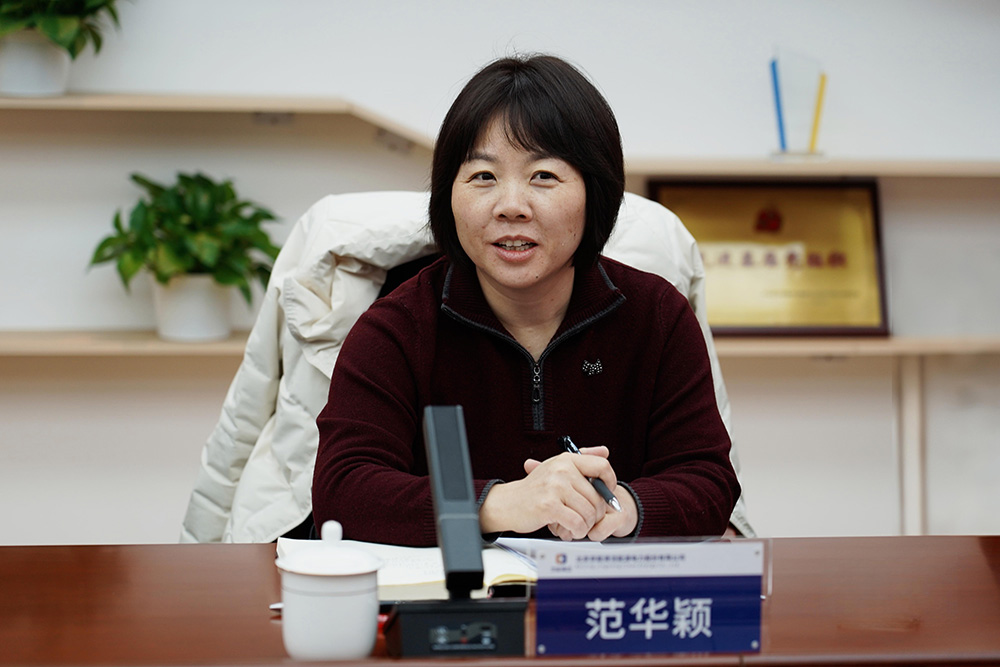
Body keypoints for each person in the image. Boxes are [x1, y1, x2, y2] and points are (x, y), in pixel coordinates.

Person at [312, 54, 740, 545]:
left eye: (543, 176)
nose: (511, 206)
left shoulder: (657, 317)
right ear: (448, 195)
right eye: (483, 176)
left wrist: (625, 509)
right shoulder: (397, 327)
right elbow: (341, 490)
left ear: (595, 193)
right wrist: (500, 503)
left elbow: (709, 482)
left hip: (604, 588)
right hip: (454, 592)